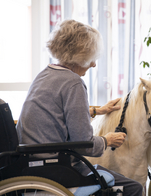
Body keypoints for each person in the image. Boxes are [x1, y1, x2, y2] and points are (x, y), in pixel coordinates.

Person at [16, 19, 142, 196]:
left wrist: (97, 111)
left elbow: (52, 115)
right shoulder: (73, 83)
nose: (93, 64)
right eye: (91, 58)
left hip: (29, 163)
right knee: (134, 188)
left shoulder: (44, 75)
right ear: (80, 55)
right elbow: (84, 144)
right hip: (57, 168)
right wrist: (107, 140)